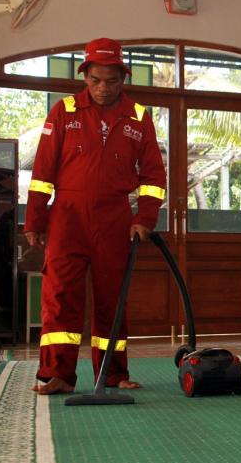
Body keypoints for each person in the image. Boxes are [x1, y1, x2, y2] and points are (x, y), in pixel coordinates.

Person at [24, 37, 167, 394]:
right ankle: (56, 374)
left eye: (112, 81)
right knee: (60, 297)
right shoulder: (64, 111)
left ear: (123, 78)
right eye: (96, 80)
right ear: (85, 75)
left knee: (112, 299)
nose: (103, 88)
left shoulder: (138, 117)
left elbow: (153, 177)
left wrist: (144, 219)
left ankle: (113, 374)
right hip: (67, 218)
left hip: (115, 219)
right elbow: (43, 172)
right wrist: (35, 220)